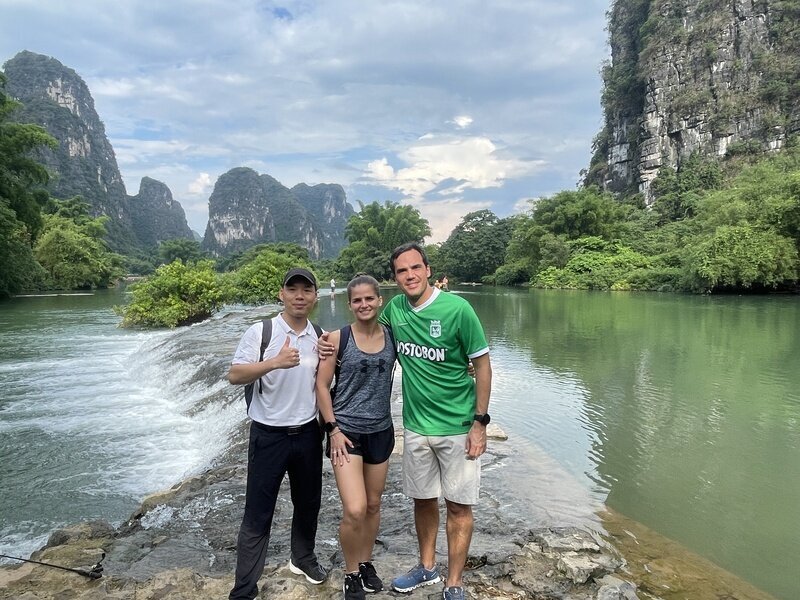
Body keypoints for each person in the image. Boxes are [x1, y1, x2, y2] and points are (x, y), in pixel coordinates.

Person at [382, 242, 491, 600]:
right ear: (394, 277)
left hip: (459, 427)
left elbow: (483, 365)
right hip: (415, 427)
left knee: (459, 506)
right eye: (401, 270)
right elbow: (364, 331)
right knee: (423, 500)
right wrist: (328, 342)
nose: (409, 275)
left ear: (428, 270)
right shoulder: (395, 310)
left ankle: (454, 581)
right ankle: (427, 568)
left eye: (415, 267)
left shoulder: (458, 309)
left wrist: (480, 423)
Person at [227, 267, 328, 600]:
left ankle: (302, 558)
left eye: (306, 290)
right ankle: (244, 589)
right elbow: (235, 375)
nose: (300, 296)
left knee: (308, 502)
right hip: (268, 435)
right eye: (293, 289)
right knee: (258, 511)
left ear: (315, 296)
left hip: (309, 434)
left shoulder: (320, 335)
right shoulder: (261, 332)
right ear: (281, 294)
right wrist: (274, 362)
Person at [316, 274, 396, 600]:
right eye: (357, 300)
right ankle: (350, 573)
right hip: (346, 433)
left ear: (380, 301)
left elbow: (423, 363)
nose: (364, 305)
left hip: (381, 430)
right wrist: (332, 429)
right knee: (355, 508)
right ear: (349, 304)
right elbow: (321, 386)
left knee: (374, 504)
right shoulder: (337, 339)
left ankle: (365, 563)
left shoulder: (392, 337)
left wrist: (466, 368)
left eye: (369, 299)